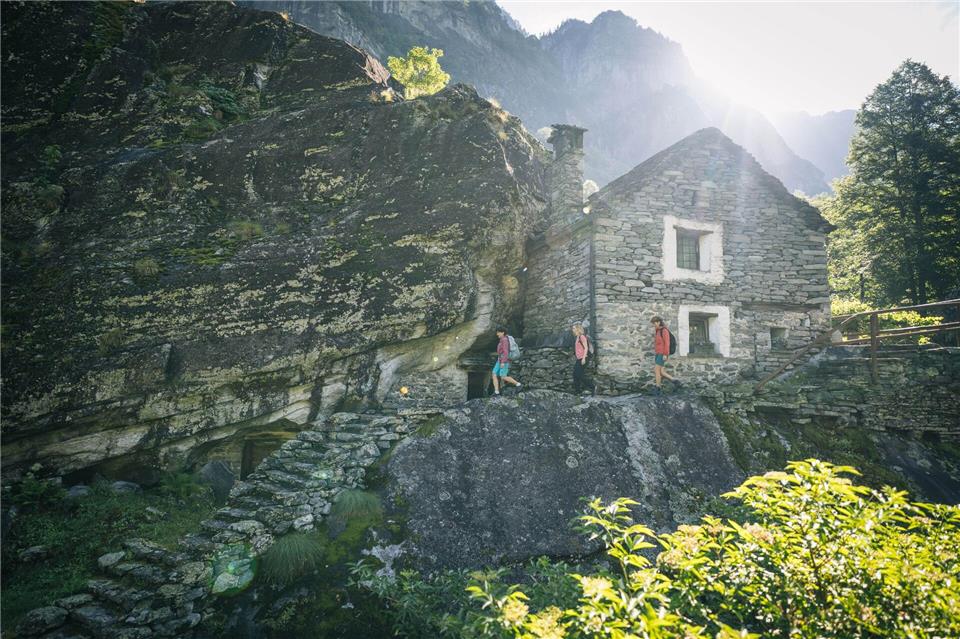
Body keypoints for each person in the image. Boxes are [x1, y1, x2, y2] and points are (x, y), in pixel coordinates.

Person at [650, 316, 680, 395]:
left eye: (654, 323)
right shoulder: (658, 331)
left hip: (662, 354)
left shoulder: (664, 330)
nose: (654, 325)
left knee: (656, 370)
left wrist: (665, 354)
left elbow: (667, 343)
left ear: (659, 322)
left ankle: (658, 388)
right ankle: (675, 381)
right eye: (653, 324)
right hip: (658, 353)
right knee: (661, 372)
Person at [492, 327, 521, 396]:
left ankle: (518, 384)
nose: (497, 334)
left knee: (503, 376)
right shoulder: (502, 340)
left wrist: (503, 362)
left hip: (503, 360)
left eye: (498, 332)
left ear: (503, 332)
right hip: (499, 360)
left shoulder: (504, 340)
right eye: (497, 332)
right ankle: (496, 392)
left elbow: (506, 352)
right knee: (494, 374)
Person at [571, 323, 595, 395]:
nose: (573, 329)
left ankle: (592, 387)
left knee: (578, 374)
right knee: (575, 374)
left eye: (574, 328)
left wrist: (584, 358)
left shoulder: (582, 337)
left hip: (584, 357)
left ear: (578, 329)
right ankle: (577, 391)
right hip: (579, 358)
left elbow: (586, 348)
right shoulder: (577, 337)